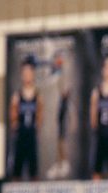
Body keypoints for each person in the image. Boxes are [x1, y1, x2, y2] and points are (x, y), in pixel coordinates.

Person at [9, 55, 43, 181]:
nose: (27, 75)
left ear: (33, 74)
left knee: (34, 171)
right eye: (25, 72)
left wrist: (37, 126)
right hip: (20, 136)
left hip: (31, 136)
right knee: (16, 170)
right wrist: (16, 126)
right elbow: (13, 116)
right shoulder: (17, 96)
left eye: (29, 72)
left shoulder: (37, 95)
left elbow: (40, 114)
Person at [47, 51, 71, 180]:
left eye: (60, 60)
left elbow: (65, 92)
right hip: (55, 109)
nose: (59, 62)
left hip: (61, 109)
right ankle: (58, 163)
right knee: (57, 137)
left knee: (61, 137)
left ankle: (63, 163)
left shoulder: (63, 76)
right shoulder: (54, 75)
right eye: (57, 60)